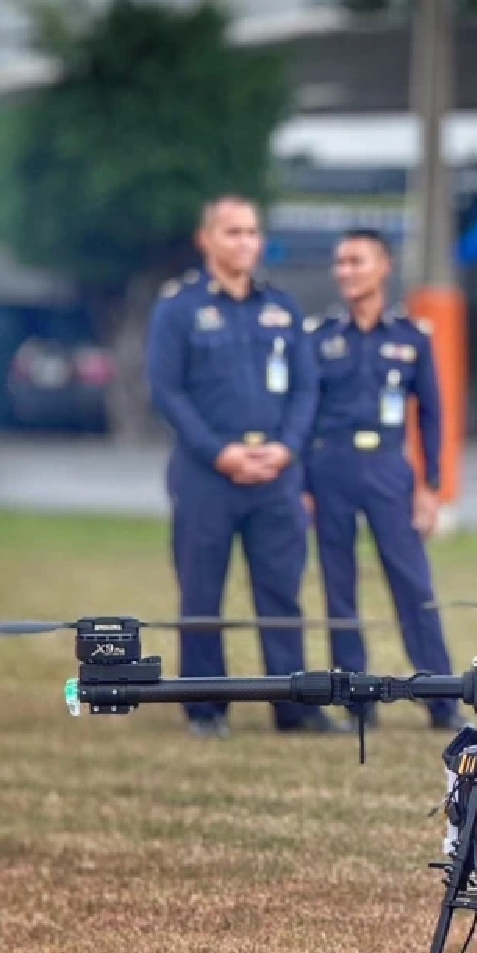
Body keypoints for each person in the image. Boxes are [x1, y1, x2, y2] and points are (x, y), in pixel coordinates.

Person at [146, 195, 347, 738]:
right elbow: (167, 391)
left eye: (252, 232)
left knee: (281, 591)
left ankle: (293, 704)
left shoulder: (280, 308)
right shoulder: (179, 308)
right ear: (205, 239)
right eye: (232, 232)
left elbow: (307, 388)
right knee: (202, 592)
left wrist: (287, 448)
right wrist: (220, 453)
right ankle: (206, 707)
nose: (244, 242)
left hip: (276, 473)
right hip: (207, 475)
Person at [303, 229, 459, 731]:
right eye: (340, 262)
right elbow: (303, 413)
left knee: (412, 581)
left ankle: (440, 695)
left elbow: (433, 415)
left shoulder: (411, 338)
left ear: (383, 267)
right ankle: (355, 699)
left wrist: (432, 486)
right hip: (331, 468)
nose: (346, 271)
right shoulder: (321, 337)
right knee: (339, 586)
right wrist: (302, 485)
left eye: (356, 260)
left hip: (390, 469)